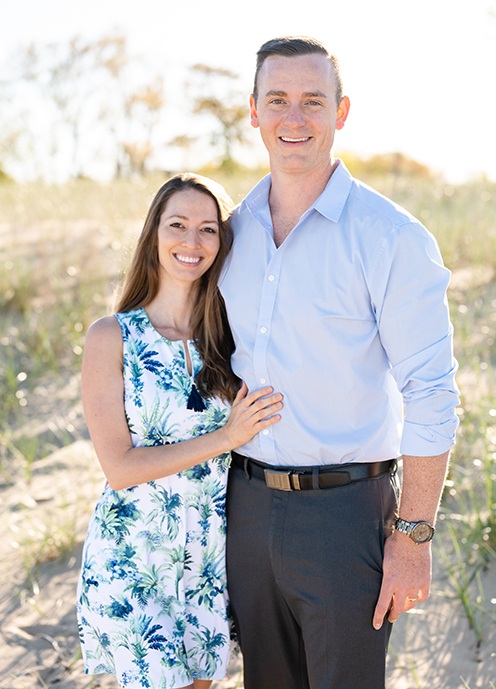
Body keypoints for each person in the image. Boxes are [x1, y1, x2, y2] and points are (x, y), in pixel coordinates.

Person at [219, 36, 459, 689]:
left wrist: (412, 535)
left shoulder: (391, 237)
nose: (293, 118)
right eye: (278, 100)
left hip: (344, 513)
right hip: (246, 508)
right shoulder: (230, 232)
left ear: (341, 111)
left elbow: (432, 393)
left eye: (312, 101)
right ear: (253, 111)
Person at [76, 172, 283, 689]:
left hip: (207, 561)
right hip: (135, 556)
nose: (192, 242)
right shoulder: (113, 337)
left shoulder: (230, 343)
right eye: (178, 225)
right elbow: (120, 468)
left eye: (208, 229)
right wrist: (224, 438)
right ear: (154, 234)